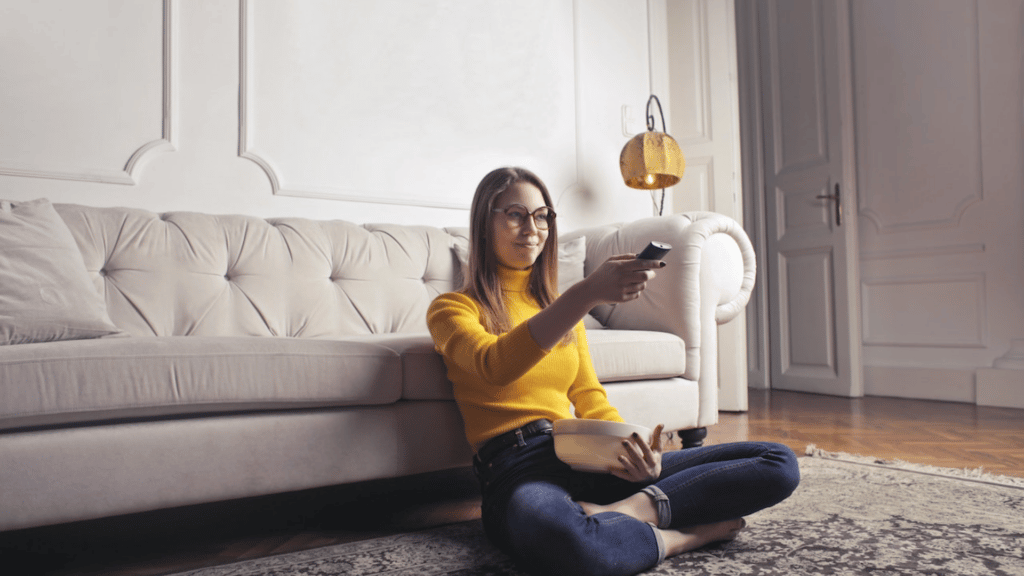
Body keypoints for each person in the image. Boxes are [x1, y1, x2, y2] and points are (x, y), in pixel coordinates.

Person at [427, 167, 799, 576]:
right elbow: (495, 365)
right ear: (484, 224)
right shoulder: (452, 309)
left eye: (542, 215)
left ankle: (630, 509)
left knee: (777, 461)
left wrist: (636, 454)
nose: (532, 228)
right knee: (562, 539)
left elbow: (590, 398)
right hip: (516, 471)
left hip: (582, 453)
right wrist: (585, 293)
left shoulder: (556, 314)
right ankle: (683, 536)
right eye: (515, 214)